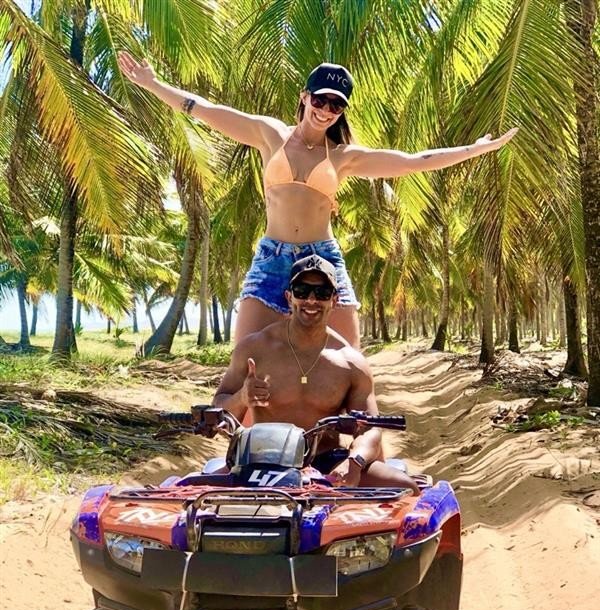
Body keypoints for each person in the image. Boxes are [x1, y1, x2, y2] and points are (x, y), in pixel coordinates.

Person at [118, 53, 518, 348]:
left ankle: (342, 436)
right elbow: (204, 110)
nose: (326, 110)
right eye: (321, 100)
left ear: (342, 111)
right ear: (305, 97)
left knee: (347, 359)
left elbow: (414, 162)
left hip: (323, 257)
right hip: (273, 256)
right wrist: (153, 85)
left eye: (336, 105)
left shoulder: (343, 157)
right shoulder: (269, 134)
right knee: (246, 357)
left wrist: (474, 150)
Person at [212, 254, 420, 493]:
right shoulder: (254, 349)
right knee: (189, 493)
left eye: (321, 293)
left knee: (406, 487)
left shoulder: (350, 363)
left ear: (334, 300)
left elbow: (370, 428)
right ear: (289, 297)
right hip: (261, 461)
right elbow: (217, 411)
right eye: (302, 291)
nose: (311, 300)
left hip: (328, 462)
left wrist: (354, 460)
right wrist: (241, 397)